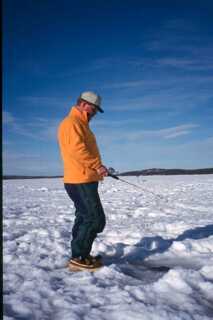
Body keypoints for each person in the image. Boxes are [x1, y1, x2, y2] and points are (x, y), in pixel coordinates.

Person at [57, 91, 108, 271]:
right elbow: (77, 151)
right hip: (81, 180)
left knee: (84, 217)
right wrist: (98, 166)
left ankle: (79, 255)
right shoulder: (72, 123)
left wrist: (96, 168)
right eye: (93, 109)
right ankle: (79, 257)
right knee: (95, 219)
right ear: (83, 104)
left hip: (84, 178)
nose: (94, 113)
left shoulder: (81, 124)